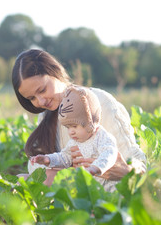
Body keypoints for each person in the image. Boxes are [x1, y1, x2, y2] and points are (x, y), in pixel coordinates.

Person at [12, 49, 146, 186]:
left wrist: (124, 170)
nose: (40, 102)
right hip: (77, 196)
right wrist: (69, 167)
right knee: (23, 178)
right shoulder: (45, 116)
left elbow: (139, 165)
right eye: (32, 98)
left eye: (42, 90)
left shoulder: (100, 102)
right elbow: (61, 164)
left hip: (111, 196)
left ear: (54, 72)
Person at [30, 86, 119, 192]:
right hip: (85, 187)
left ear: (90, 122)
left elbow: (109, 153)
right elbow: (65, 157)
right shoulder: (75, 141)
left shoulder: (101, 137)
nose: (71, 131)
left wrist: (95, 168)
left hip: (107, 186)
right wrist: (48, 159)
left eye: (75, 126)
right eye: (68, 127)